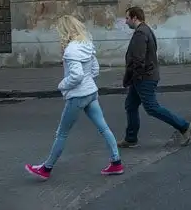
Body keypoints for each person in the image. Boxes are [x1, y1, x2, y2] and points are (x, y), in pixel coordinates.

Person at [25, 15, 123, 180]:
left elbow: (76, 76)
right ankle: (116, 162)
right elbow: (95, 69)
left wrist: (62, 85)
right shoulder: (87, 43)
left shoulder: (71, 50)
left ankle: (46, 168)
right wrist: (88, 81)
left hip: (77, 96)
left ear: (65, 30)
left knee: (62, 133)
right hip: (91, 92)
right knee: (104, 128)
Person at [118, 7, 191, 148]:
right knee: (131, 105)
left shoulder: (141, 33)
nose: (126, 21)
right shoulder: (145, 30)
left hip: (144, 78)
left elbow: (139, 59)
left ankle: (184, 126)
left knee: (152, 108)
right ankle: (131, 138)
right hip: (142, 76)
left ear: (135, 18)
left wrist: (135, 77)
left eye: (127, 18)